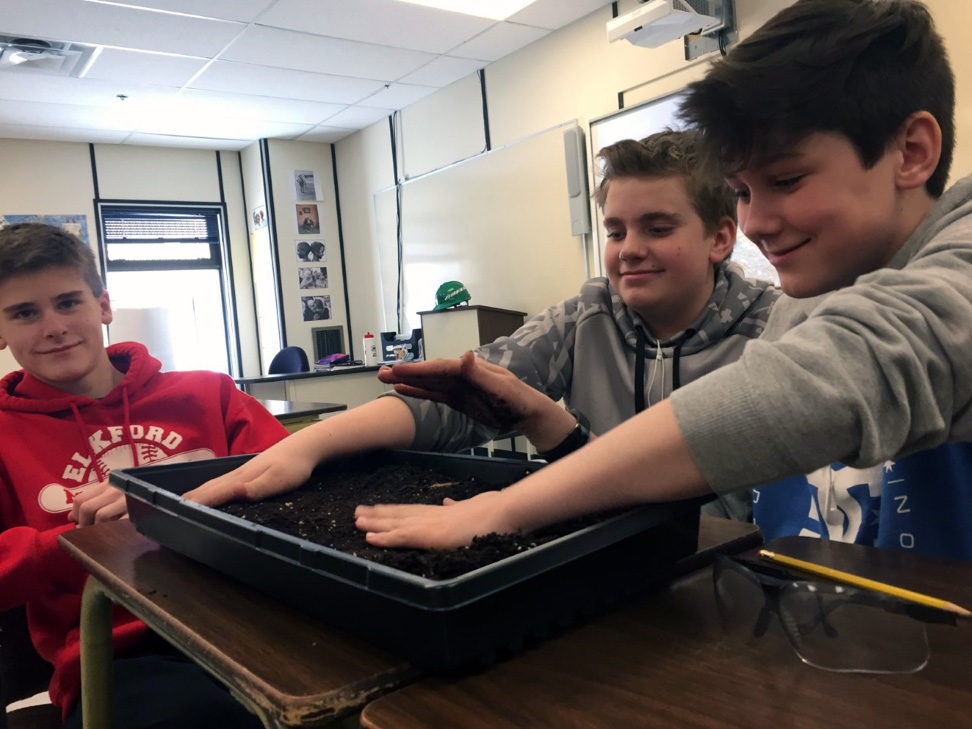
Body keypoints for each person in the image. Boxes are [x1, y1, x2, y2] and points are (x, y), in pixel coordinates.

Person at [339, 0, 972, 557]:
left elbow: (835, 377)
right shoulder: (806, 300)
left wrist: (502, 509)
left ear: (912, 152)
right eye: (743, 191)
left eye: (785, 181)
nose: (758, 222)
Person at [186, 130, 779, 523]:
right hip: (609, 562)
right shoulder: (586, 315)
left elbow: (711, 496)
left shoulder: (773, 331)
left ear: (720, 238)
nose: (629, 250)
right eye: (616, 230)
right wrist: (309, 444)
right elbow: (460, 398)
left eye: (657, 227)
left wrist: (555, 430)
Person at [0, 223, 289, 727]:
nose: (53, 326)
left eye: (68, 302)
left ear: (103, 306)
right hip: (124, 654)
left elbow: (299, 484)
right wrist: (87, 543)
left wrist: (162, 502)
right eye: (25, 312)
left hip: (267, 622)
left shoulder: (210, 393)